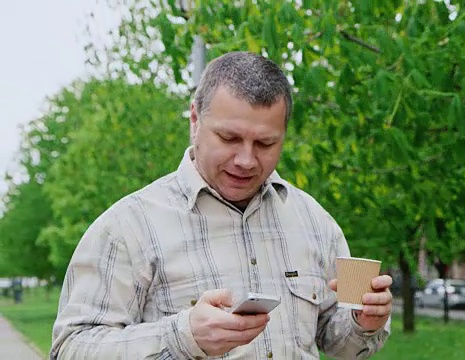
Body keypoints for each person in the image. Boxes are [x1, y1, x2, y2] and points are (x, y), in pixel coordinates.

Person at [50, 51, 392, 359]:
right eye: (229, 138)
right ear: (195, 120)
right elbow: (71, 348)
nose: (245, 160)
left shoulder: (315, 220)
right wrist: (183, 336)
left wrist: (365, 321)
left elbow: (342, 343)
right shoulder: (127, 226)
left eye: (265, 143)